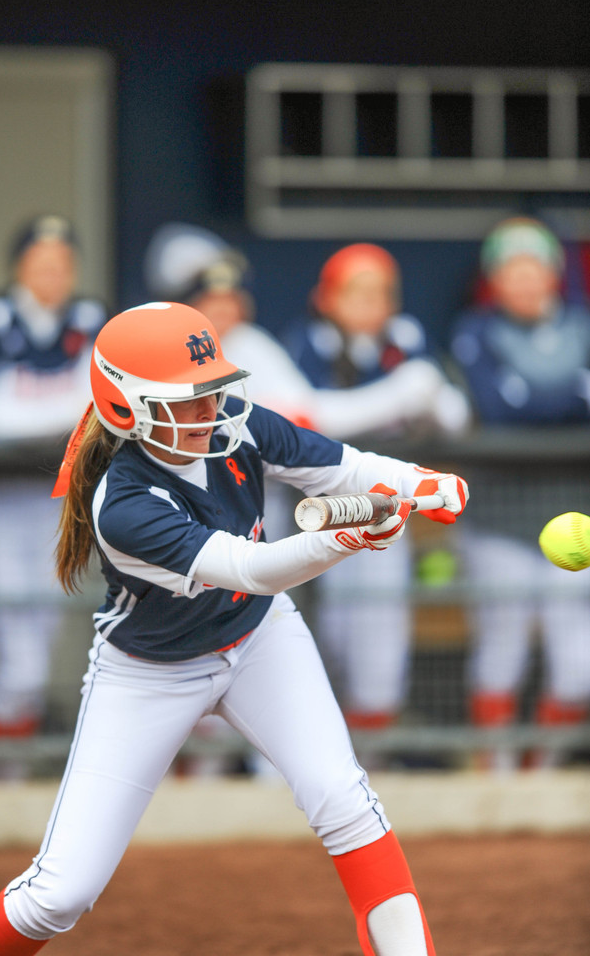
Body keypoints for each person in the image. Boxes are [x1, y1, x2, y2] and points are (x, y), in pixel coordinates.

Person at [0, 300, 468, 956]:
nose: (207, 410)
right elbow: (249, 568)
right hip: (150, 672)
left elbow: (341, 465)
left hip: (256, 638)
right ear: (125, 408)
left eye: (213, 390)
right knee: (61, 893)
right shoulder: (126, 504)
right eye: (183, 400)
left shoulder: (235, 426)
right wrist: (345, 538)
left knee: (345, 800)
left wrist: (418, 480)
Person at [142, 224, 470, 771]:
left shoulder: (253, 346)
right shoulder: (163, 354)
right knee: (182, 664)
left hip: (258, 520)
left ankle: (298, 772)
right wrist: (401, 393)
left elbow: (297, 430)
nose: (224, 310)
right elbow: (312, 419)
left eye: (230, 297)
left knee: (272, 651)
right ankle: (198, 792)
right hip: (170, 517)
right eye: (209, 300)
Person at [282, 243, 471, 743]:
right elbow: (308, 417)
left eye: (381, 292)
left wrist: (425, 393)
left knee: (380, 644)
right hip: (315, 512)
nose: (370, 302)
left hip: (390, 512)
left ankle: (372, 764)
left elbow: (456, 416)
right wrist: (400, 395)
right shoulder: (308, 341)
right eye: (356, 291)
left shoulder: (405, 339)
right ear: (327, 298)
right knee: (321, 640)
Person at [0, 215, 109, 775]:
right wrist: (64, 410)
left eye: (63, 262)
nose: (54, 273)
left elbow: (101, 410)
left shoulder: (89, 318)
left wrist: (50, 413)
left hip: (53, 500)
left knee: (37, 656)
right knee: (20, 663)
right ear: (18, 266)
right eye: (41, 262)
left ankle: (3, 786)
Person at [449, 215, 590, 769]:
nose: (526, 281)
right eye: (513, 270)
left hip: (574, 512)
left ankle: (543, 770)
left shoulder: (582, 324)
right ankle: (498, 777)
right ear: (495, 279)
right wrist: (567, 399)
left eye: (536, 269)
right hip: (498, 516)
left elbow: (524, 404)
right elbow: (499, 409)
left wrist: (532, 397)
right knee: (502, 643)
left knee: (577, 660)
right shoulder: (475, 330)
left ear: (554, 275)